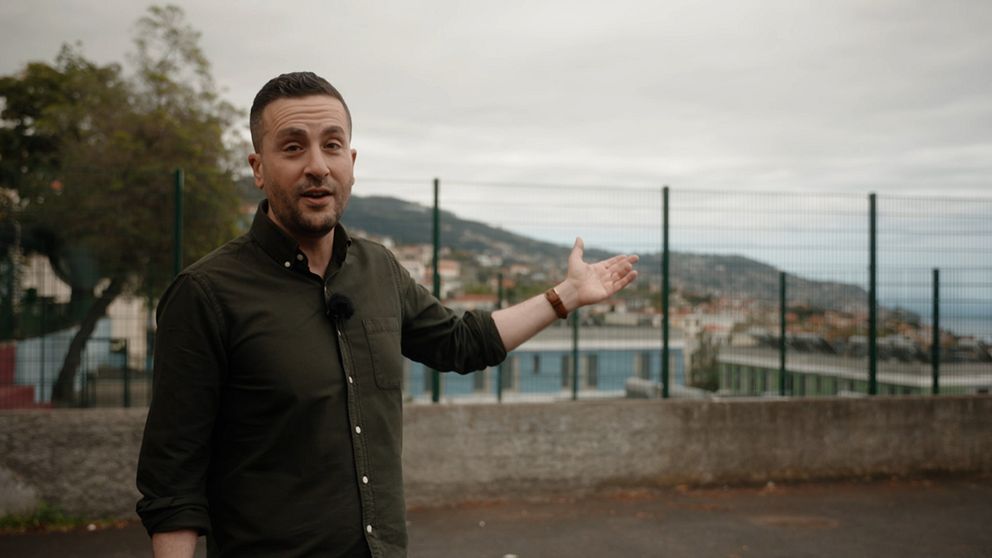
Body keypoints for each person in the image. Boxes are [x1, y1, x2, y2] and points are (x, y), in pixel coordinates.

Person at [136, 71, 638, 558]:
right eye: (293, 147)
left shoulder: (378, 269)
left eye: (333, 145)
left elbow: (461, 342)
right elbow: (173, 482)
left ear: (351, 162)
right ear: (258, 168)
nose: (318, 166)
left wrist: (566, 295)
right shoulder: (205, 294)